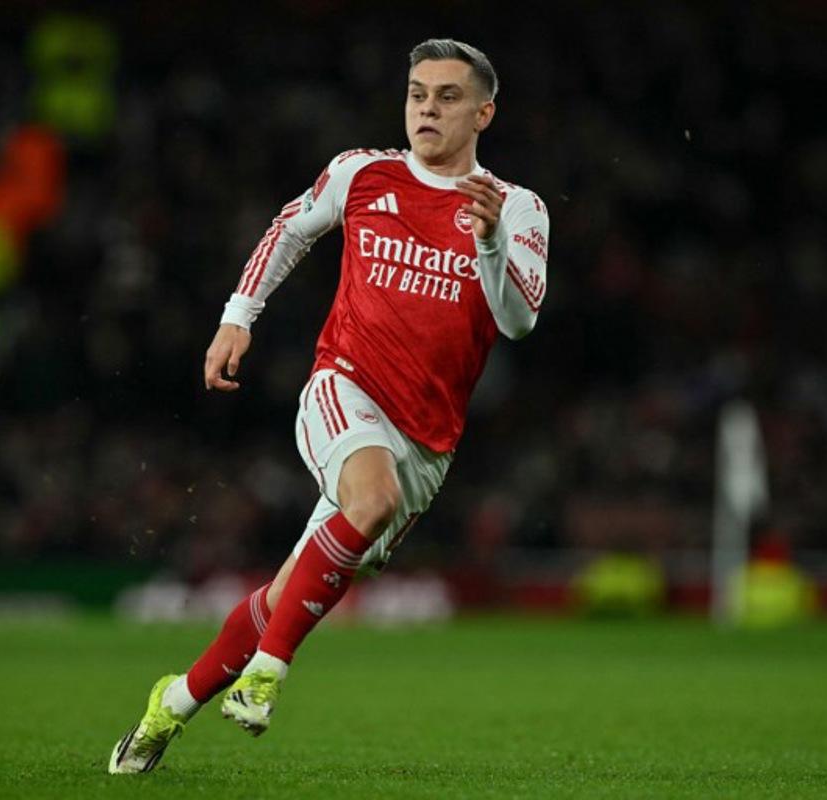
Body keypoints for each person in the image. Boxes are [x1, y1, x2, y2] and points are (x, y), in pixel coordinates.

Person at [110, 38, 549, 774]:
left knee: (285, 595)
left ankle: (172, 705)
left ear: (484, 112)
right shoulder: (362, 173)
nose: (427, 109)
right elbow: (289, 229)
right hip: (343, 386)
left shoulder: (519, 209)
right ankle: (266, 678)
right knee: (367, 498)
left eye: (446, 96)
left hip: (427, 443)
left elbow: (519, 320)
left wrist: (492, 240)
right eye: (417, 94)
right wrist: (236, 318)